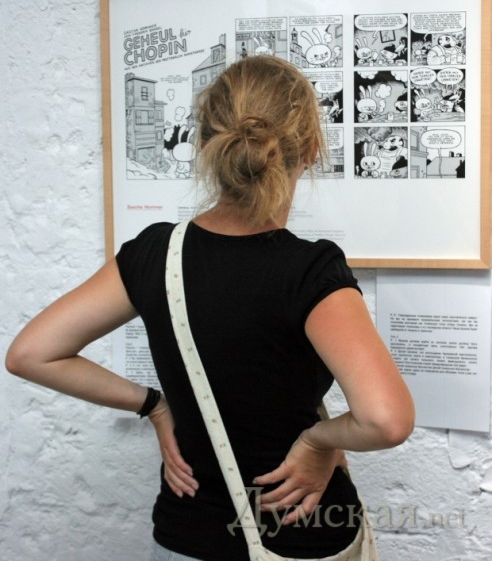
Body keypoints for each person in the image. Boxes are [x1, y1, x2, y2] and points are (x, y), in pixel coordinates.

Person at [6, 55, 415, 561]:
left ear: (204, 145)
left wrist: (153, 406)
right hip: (302, 533)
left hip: (184, 535)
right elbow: (386, 421)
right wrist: (318, 442)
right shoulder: (310, 270)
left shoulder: (154, 253)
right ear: (312, 149)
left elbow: (30, 354)